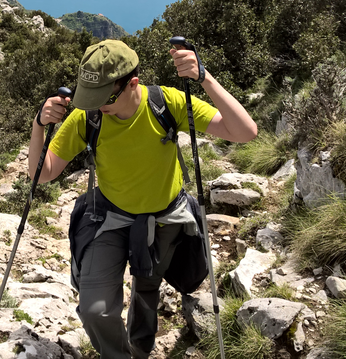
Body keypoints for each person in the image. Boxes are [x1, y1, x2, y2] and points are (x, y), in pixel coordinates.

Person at [28, 39, 257, 359]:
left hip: (163, 217)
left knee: (146, 288)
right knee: (95, 310)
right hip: (109, 216)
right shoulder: (89, 118)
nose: (94, 105)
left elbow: (245, 131)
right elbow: (43, 172)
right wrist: (39, 125)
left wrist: (204, 78)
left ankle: (140, 348)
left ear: (131, 83)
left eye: (102, 97)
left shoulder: (166, 103)